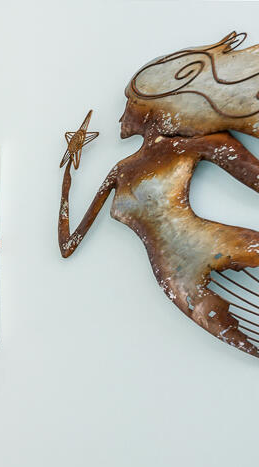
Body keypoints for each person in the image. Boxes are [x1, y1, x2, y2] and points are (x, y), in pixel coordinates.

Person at [59, 31, 259, 358]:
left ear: (154, 109)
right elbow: (68, 245)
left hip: (215, 245)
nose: (122, 116)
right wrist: (67, 186)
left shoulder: (199, 144)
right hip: (176, 277)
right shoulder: (121, 169)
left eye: (130, 105)